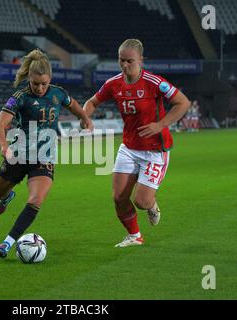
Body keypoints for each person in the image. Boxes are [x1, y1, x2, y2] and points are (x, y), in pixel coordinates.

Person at [82, 39, 191, 248]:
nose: (125, 65)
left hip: (154, 151)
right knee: (119, 197)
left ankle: (151, 205)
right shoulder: (113, 84)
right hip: (129, 148)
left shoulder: (154, 82)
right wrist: (85, 116)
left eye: (130, 61)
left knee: (141, 201)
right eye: (121, 60)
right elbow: (93, 101)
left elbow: (183, 102)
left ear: (141, 59)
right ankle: (135, 236)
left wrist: (161, 125)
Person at [0, 49, 94, 258]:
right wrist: (4, 146)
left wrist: (85, 117)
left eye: (44, 84)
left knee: (35, 200)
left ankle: (8, 242)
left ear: (50, 80)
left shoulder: (58, 93)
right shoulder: (19, 97)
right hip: (18, 154)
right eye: (35, 83)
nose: (40, 88)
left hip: (44, 157)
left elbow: (73, 104)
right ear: (29, 78)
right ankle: (6, 197)